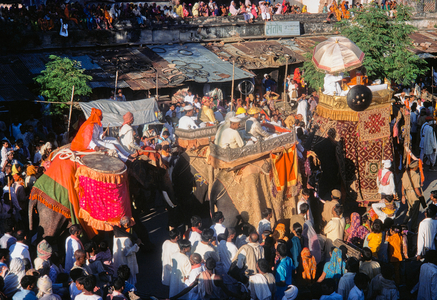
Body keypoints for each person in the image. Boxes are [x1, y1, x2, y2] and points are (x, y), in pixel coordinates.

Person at [113, 216, 140, 285]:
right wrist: (136, 244)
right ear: (125, 225)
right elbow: (128, 252)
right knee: (129, 280)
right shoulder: (126, 239)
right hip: (127, 262)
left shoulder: (116, 234)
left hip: (118, 260)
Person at [401, 160, 423, 232]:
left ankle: (404, 222)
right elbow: (416, 188)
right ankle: (413, 227)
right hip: (414, 194)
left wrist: (403, 195)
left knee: (410, 208)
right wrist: (420, 196)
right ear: (415, 167)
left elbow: (402, 186)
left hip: (407, 193)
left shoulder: (405, 174)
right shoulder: (416, 175)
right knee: (415, 211)